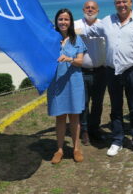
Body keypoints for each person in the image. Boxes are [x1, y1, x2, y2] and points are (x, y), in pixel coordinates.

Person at [85, 0, 133, 157]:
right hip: (112, 71)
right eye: (118, 2)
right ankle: (117, 140)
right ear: (114, 4)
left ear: (130, 3)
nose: (121, 5)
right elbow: (88, 31)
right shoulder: (107, 21)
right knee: (115, 108)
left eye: (124, 2)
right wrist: (64, 33)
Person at [47, 9, 86, 164]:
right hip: (56, 83)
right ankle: (60, 149)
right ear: (56, 21)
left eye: (66, 19)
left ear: (71, 22)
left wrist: (69, 58)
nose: (63, 22)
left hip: (74, 82)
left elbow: (81, 61)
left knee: (75, 116)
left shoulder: (77, 40)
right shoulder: (51, 39)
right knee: (60, 117)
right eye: (60, 19)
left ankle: (76, 148)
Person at [74, 1, 107, 145]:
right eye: (87, 7)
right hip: (81, 72)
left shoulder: (103, 25)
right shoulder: (76, 24)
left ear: (98, 10)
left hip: (101, 72)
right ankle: (85, 130)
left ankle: (95, 128)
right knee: (83, 103)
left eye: (93, 8)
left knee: (98, 103)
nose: (90, 9)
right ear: (83, 10)